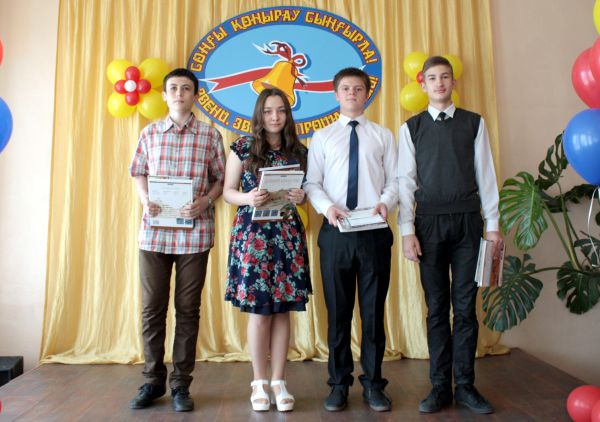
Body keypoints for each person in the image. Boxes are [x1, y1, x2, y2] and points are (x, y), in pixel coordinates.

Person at [397, 56, 502, 415]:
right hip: (428, 226)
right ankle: (440, 386)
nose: (439, 82)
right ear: (422, 84)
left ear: (453, 83)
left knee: (466, 308)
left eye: (445, 77)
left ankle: (467, 386)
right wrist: (407, 231)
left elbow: (486, 174)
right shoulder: (411, 128)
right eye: (432, 78)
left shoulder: (474, 123)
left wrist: (492, 225)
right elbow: (405, 182)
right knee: (437, 309)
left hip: (468, 225)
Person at [128, 68, 226, 412]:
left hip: (194, 235)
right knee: (152, 308)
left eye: (186, 88)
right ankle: (152, 381)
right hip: (154, 234)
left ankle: (181, 384)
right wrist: (145, 198)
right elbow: (138, 171)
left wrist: (206, 200)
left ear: (195, 95)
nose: (179, 93)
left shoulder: (210, 135)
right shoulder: (150, 133)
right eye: (173, 88)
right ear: (165, 95)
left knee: (187, 310)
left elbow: (220, 179)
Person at [304, 67, 398, 412]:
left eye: (358, 89)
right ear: (336, 94)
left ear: (367, 94)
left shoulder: (383, 136)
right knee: (339, 313)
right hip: (336, 233)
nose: (352, 94)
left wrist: (386, 203)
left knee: (372, 314)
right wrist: (327, 208)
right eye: (346, 88)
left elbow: (396, 180)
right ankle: (339, 384)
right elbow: (312, 183)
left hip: (374, 232)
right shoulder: (322, 137)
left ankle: (374, 384)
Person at [223, 88, 311, 412]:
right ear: (259, 114)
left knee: (283, 310)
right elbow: (228, 192)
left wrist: (302, 197)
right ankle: (258, 382)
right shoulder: (243, 148)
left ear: (288, 114)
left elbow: (306, 191)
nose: (275, 117)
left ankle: (279, 381)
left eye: (281, 110)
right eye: (269, 111)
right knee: (260, 311)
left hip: (286, 235)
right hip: (253, 237)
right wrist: (248, 198)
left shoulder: (298, 151)